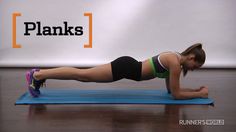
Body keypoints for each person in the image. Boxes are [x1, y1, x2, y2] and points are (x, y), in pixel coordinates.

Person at [26, 43, 208, 99]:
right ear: (192, 58)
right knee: (82, 75)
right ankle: (38, 74)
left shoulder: (174, 60)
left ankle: (39, 74)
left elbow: (171, 91)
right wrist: (200, 95)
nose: (193, 69)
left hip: (127, 67)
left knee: (82, 75)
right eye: (196, 66)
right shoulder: (175, 63)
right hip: (125, 68)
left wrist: (194, 91)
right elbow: (176, 95)